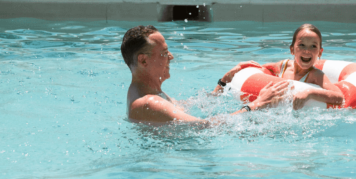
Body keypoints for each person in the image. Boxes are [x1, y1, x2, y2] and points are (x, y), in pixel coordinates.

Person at [123, 25, 287, 124]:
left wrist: (222, 84)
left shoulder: (149, 94)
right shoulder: (149, 102)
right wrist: (257, 105)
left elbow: (182, 107)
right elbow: (204, 127)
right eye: (164, 53)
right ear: (143, 61)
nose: (171, 57)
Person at [216, 23, 345, 109]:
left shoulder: (316, 75)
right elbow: (261, 71)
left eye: (313, 46)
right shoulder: (283, 66)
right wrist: (242, 68)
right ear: (292, 50)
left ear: (320, 52)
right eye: (302, 45)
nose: (307, 51)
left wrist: (309, 93)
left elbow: (339, 97)